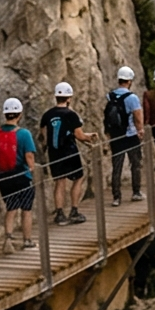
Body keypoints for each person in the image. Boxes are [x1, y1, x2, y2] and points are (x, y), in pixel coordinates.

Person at [0, 98, 38, 245]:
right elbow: (29, 156)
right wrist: (33, 171)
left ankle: (8, 238)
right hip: (22, 175)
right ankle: (27, 239)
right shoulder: (24, 134)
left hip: (3, 176)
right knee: (26, 209)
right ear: (20, 114)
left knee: (11, 207)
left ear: (5, 114)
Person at [41, 82, 90, 222]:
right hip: (70, 151)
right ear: (69, 98)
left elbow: (43, 136)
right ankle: (74, 211)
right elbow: (79, 136)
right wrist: (89, 137)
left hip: (54, 153)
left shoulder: (47, 115)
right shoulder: (71, 115)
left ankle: (60, 214)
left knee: (59, 182)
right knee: (78, 178)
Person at [103, 65, 145, 205]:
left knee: (117, 167)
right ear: (130, 81)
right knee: (135, 164)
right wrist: (140, 130)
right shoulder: (132, 98)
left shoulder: (110, 96)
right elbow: (137, 116)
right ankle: (136, 192)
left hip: (116, 136)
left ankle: (116, 197)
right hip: (131, 135)